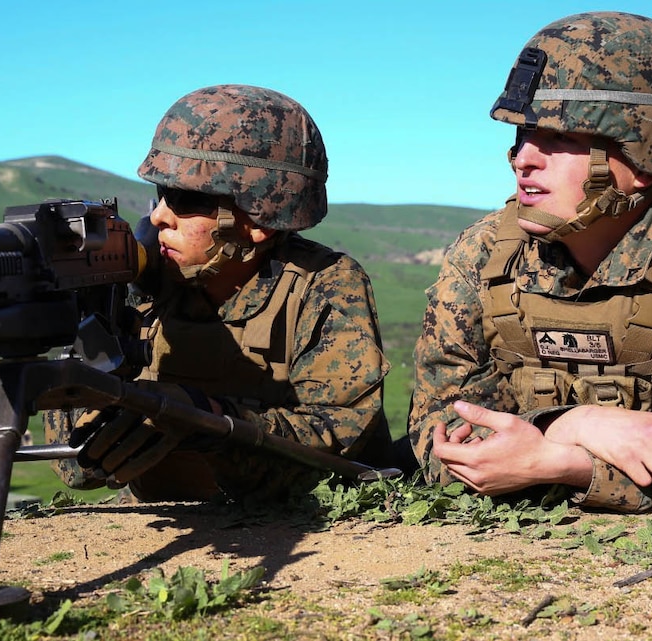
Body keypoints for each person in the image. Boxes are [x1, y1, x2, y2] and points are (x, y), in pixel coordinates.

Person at [407, 12, 652, 513]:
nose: (523, 159)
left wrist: (562, 466)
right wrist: (567, 426)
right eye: (522, 135)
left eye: (562, 138)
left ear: (641, 159)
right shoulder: (485, 250)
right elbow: (436, 428)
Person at [43, 84, 392, 502]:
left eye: (187, 200)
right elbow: (76, 469)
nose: (158, 216)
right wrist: (91, 341)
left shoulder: (324, 284)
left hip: (307, 524)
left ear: (257, 221)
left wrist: (202, 416)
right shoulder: (138, 281)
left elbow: (339, 441)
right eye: (160, 194)